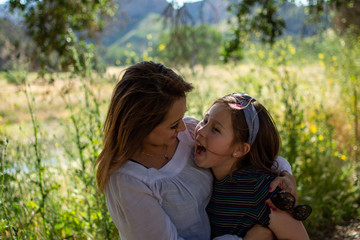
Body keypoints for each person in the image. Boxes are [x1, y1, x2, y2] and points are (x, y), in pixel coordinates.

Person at [95, 61, 297, 240]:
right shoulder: (129, 181)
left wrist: (284, 174)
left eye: (182, 117)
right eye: (174, 124)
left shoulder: (190, 132)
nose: (183, 127)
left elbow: (244, 155)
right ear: (141, 127)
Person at [194, 93, 310, 239]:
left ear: (239, 150)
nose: (201, 131)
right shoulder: (207, 172)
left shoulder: (260, 188)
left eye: (216, 129)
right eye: (205, 120)